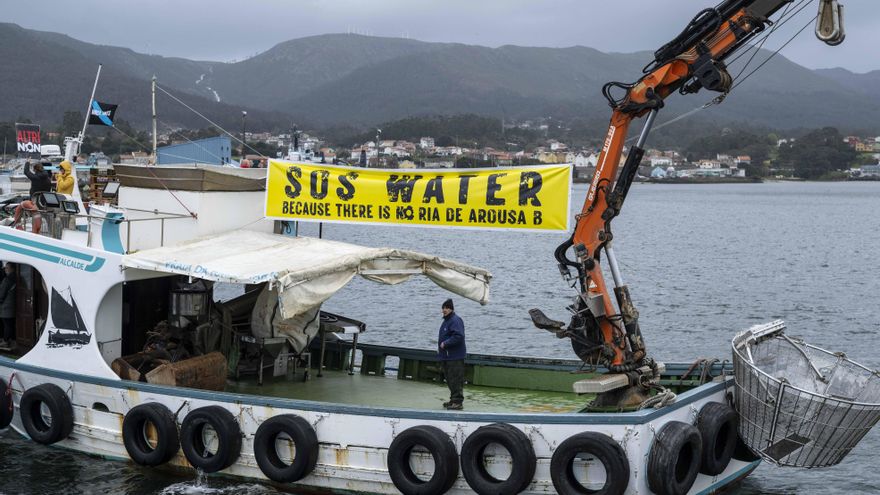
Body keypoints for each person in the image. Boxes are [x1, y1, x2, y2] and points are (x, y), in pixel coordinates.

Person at [437, 298, 466, 410]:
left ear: (451, 309)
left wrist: (446, 343)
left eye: (447, 308)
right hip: (447, 356)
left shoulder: (455, 320)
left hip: (455, 356)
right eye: (443, 308)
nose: (444, 310)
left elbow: (459, 336)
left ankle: (458, 402)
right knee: (450, 379)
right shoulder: (446, 321)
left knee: (455, 379)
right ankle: (453, 400)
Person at [12, 161, 53, 232]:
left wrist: (27, 162)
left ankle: (34, 232)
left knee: (34, 215)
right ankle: (49, 230)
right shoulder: (48, 178)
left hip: (35, 200)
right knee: (45, 216)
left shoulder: (35, 177)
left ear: (35, 169)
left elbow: (26, 172)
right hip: (45, 200)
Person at [0, 263, 16, 349]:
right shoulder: (17, 278)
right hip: (12, 306)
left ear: (12, 269)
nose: (5, 269)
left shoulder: (7, 280)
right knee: (10, 324)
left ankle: (5, 341)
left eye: (7, 268)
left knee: (7, 324)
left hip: (6, 306)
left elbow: (1, 294)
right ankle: (11, 340)